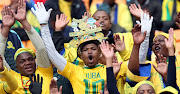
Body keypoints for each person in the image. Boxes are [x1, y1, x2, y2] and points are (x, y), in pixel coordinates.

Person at [0, 0, 53, 93]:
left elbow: (41, 49)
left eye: (30, 59)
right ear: (16, 67)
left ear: (35, 62)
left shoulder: (44, 72)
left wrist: (24, 21)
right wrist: (6, 28)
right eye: (22, 61)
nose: (28, 63)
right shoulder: (11, 79)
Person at [127, 27, 180, 93]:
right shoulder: (151, 65)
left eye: (161, 41)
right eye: (154, 43)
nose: (156, 44)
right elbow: (133, 73)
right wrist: (136, 45)